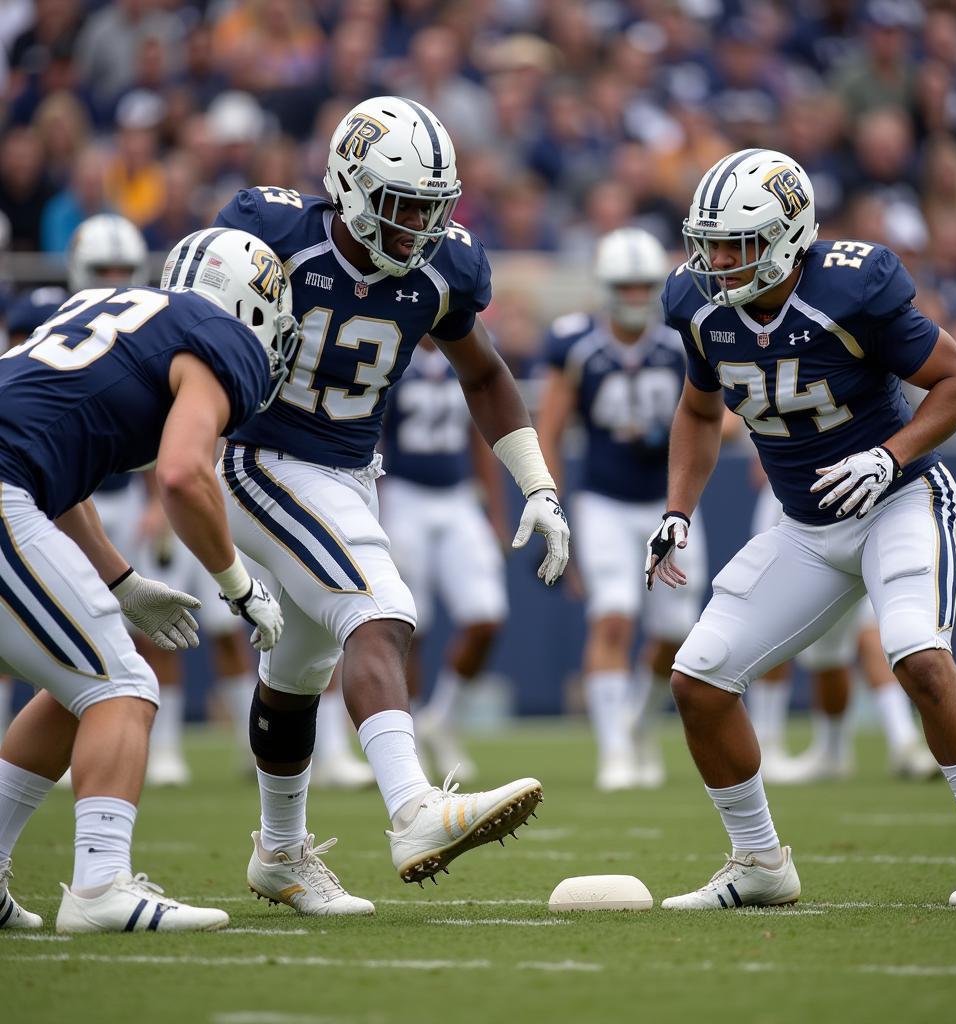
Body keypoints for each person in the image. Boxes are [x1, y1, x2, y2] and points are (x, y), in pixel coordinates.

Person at [212, 95, 569, 914]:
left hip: (348, 474)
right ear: (348, 183)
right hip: (261, 456)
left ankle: (280, 854)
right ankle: (414, 809)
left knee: (298, 671)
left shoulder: (442, 269)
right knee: (382, 609)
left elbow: (485, 374)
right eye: (402, 206)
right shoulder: (276, 236)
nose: (416, 228)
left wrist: (538, 483)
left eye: (432, 210)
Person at [648, 148, 956, 909]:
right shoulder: (697, 302)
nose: (715, 261)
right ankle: (759, 863)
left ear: (788, 237)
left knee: (917, 656)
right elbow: (697, 409)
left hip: (900, 500)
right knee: (698, 680)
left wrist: (890, 456)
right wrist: (677, 510)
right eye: (709, 242)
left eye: (735, 245)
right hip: (808, 526)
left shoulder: (853, 285)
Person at [0, 226, 296, 932]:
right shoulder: (216, 340)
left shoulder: (107, 308)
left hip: (17, 481)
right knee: (123, 684)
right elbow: (183, 474)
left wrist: (121, 579)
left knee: (79, 688)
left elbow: (53, 463)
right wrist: (239, 586)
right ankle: (101, 885)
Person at [65, 214, 264, 786]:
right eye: (104, 268)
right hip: (57, 490)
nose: (115, 277)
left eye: (123, 268)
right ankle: (102, 857)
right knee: (105, 650)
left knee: (185, 633)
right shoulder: (137, 331)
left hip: (96, 489)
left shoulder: (142, 326)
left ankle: (243, 745)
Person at [537, 227, 708, 791]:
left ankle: (637, 724)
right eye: (625, 286)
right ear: (607, 287)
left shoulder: (682, 340)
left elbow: (723, 420)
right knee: (612, 612)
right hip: (606, 502)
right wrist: (550, 504)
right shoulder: (578, 345)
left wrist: (676, 429)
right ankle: (613, 749)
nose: (636, 297)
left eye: (644, 286)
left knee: (676, 634)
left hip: (670, 506)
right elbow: (551, 431)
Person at [746, 476, 937, 783]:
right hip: (798, 495)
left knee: (866, 635)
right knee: (787, 627)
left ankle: (893, 741)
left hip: (858, 495)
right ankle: (775, 744)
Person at [379, 336, 510, 782]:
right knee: (410, 625)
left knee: (486, 617)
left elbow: (482, 440)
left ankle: (443, 718)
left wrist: (495, 513)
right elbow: (373, 437)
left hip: (457, 498)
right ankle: (410, 736)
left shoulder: (468, 351)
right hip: (404, 496)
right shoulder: (394, 349)